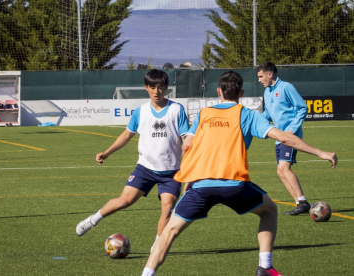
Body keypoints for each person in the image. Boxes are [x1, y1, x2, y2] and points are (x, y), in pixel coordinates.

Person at [141, 71, 337, 276]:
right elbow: (285, 138)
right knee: (269, 210)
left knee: (168, 232)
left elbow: (187, 144)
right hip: (234, 185)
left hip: (201, 185)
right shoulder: (248, 114)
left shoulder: (203, 114)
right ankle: (265, 267)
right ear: (241, 92)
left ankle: (146, 274)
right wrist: (321, 152)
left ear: (218, 92)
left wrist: (189, 177)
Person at [76, 69, 189, 251]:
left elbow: (186, 138)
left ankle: (157, 247)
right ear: (146, 88)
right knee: (124, 201)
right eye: (152, 87)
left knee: (167, 208)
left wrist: (190, 162)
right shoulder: (141, 111)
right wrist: (107, 152)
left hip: (172, 172)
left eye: (160, 87)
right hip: (145, 168)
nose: (156, 91)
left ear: (167, 88)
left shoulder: (177, 110)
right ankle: (92, 220)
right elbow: (127, 134)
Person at [256, 62, 310, 216]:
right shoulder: (267, 92)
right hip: (278, 137)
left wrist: (292, 129)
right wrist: (255, 121)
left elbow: (302, 108)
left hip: (290, 137)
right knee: (280, 172)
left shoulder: (286, 87)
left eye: (261, 76)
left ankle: (303, 201)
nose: (259, 80)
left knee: (284, 169)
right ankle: (300, 203)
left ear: (269, 74)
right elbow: (267, 113)